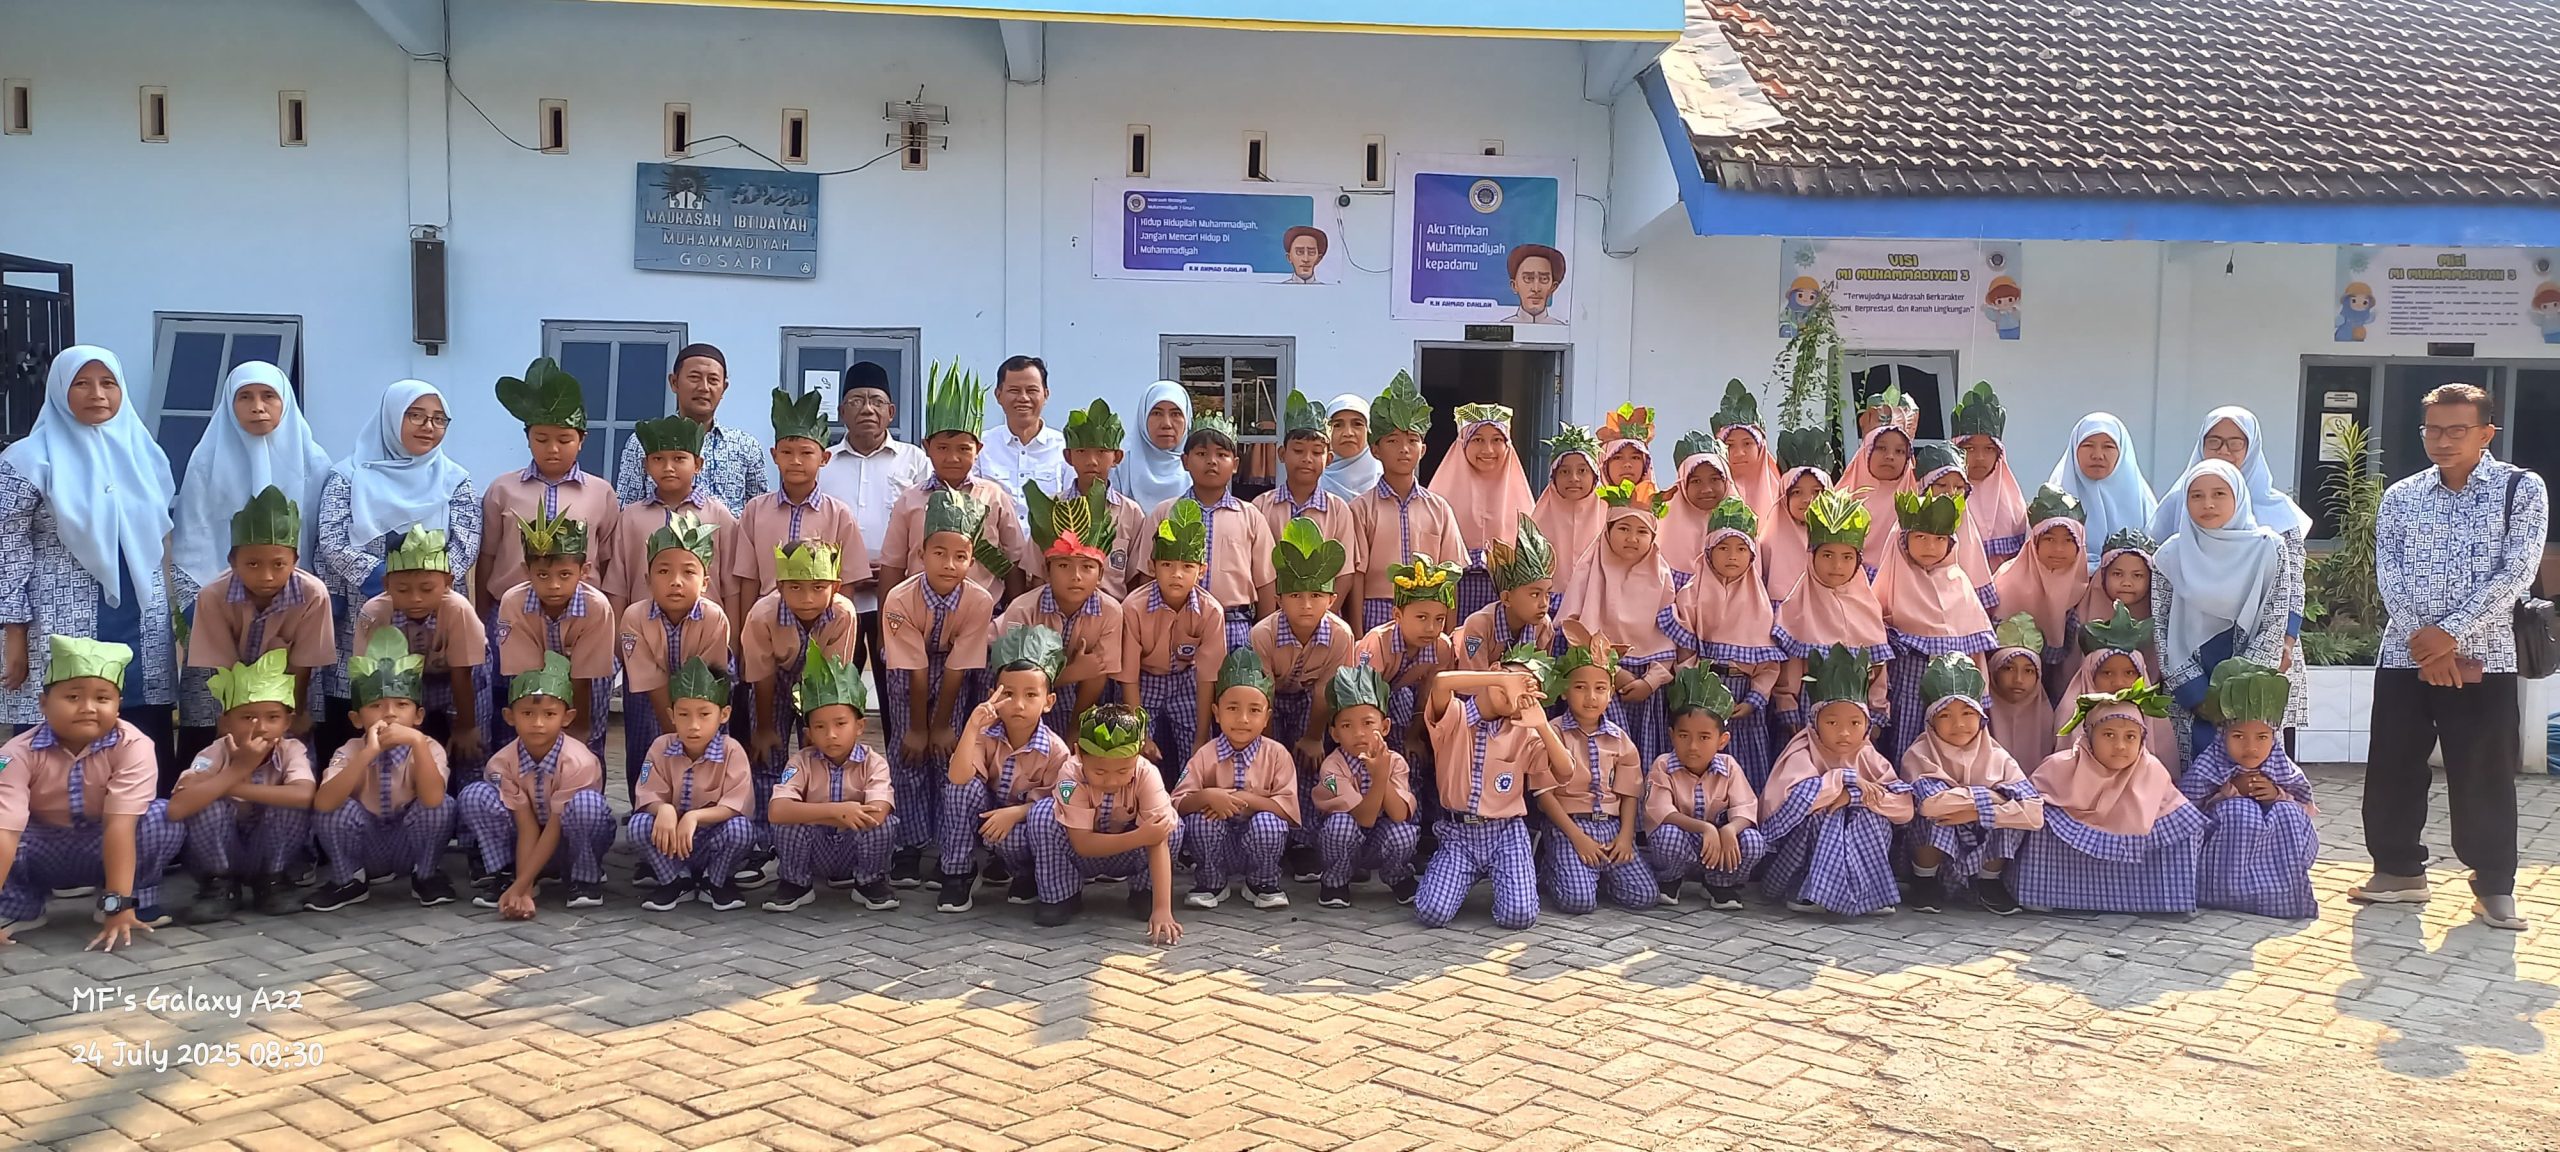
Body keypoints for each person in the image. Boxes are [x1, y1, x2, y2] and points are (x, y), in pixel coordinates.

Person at [2358, 382, 2545, 930]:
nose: (2443, 440)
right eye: (2433, 430)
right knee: (2393, 765)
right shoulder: (2402, 496)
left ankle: (2494, 886)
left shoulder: (2520, 489)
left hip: (2487, 656)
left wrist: (2451, 634)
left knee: (2483, 772)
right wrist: (2426, 641)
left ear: (2486, 433)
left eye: (2457, 430)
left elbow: (2518, 570)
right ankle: (2398, 871)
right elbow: (2389, 572)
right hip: (2405, 656)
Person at [0, 348, 182, 782]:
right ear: (60, 391)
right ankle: (47, 816)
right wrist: (14, 636)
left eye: (108, 383)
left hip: (140, 614)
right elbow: (8, 553)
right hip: (57, 616)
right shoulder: (26, 460)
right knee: (61, 722)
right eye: (81, 383)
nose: (96, 394)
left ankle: (142, 816)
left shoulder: (145, 453)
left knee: (141, 724)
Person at [316, 380, 481, 763]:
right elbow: (332, 539)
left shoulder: (455, 480)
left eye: (438, 419)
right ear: (390, 418)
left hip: (436, 617)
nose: (428, 427)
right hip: (364, 611)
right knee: (367, 707)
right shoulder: (348, 476)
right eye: (416, 416)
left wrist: (424, 590)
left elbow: (466, 543)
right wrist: (390, 586)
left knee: (431, 724)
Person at [170, 362, 333, 739]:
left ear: (285, 402)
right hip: (217, 605)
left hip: (296, 607)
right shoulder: (206, 460)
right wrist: (200, 603)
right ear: (230, 404)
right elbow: (192, 536)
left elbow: (320, 535)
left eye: (268, 396)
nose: (257, 406)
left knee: (288, 716)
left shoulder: (313, 462)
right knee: (216, 719)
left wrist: (308, 597)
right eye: (245, 397)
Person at [0, 638, 184, 949]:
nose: (88, 708)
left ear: (118, 704)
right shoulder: (14, 753)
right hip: (40, 850)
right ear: (43, 703)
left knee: (162, 817)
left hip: (105, 843)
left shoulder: (134, 745)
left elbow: (120, 825)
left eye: (102, 698)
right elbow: (5, 831)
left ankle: (129, 900)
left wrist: (117, 905)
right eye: (73, 696)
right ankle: (20, 907)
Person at [2153, 406, 2313, 741]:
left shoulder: (2275, 526)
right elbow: (2163, 607)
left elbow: (2290, 590)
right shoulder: (2177, 507)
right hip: (2192, 662)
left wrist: (2279, 649)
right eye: (2214, 441)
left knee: (2257, 751)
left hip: (2268, 653)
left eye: (2235, 442)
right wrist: (2192, 688)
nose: (2224, 451)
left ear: (2251, 446)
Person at [880, 488, 999, 886]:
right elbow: (913, 667)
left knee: (950, 754)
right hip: (906, 675)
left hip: (955, 677)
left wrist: (943, 724)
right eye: (939, 553)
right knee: (909, 754)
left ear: (972, 560)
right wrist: (918, 727)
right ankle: (909, 846)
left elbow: (958, 667)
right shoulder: (899, 598)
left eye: (960, 556)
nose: (949, 564)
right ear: (921, 554)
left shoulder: (979, 601)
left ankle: (950, 848)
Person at [1411, 653, 1576, 930]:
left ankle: (1519, 872)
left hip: (1505, 833)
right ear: (1495, 669)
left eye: (1526, 690)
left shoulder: (1524, 732)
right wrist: (1501, 679)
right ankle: (1462, 874)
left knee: (1519, 916)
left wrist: (1541, 724)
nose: (1514, 691)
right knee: (1431, 913)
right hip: (1458, 834)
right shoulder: (1455, 716)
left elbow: (1565, 770)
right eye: (1514, 679)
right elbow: (1440, 682)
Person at [478, 358, 615, 677]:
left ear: (582, 440)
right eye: (541, 439)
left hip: (582, 616)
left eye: (564, 440)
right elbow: (488, 555)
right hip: (512, 613)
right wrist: (481, 614)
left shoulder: (601, 493)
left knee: (581, 691)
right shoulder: (503, 489)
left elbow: (607, 559)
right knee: (514, 693)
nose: (553, 448)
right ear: (527, 438)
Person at [2014, 685, 2203, 914]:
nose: (2120, 746)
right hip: (2069, 853)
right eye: (2108, 735)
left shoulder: (2152, 770)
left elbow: (2180, 812)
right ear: (2089, 736)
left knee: (2187, 823)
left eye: (2130, 737)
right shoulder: (2060, 767)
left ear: (2142, 740)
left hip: (2136, 843)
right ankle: (2042, 892)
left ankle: (2164, 897)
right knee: (2041, 816)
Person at [1757, 645, 1914, 916]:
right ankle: (1810, 890)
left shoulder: (1869, 756)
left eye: (1854, 723)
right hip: (1801, 854)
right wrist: (1845, 778)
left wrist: (1852, 796)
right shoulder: (1802, 751)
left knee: (1870, 818)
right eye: (1832, 723)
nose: (1844, 733)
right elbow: (1793, 802)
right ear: (1815, 723)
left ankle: (1868, 892)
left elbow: (1903, 806)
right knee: (1825, 816)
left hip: (1859, 835)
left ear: (1866, 726)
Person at [304, 630, 455, 912]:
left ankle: (425, 875)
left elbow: (434, 799)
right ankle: (349, 881)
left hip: (408, 845)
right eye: (375, 706)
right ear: (356, 719)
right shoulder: (350, 750)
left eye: (402, 704)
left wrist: (417, 743)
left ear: (419, 716)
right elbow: (324, 803)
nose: (390, 714)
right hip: (366, 845)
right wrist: (368, 754)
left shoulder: (428, 747)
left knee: (444, 804)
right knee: (335, 806)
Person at [180, 488, 336, 751]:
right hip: (229, 690)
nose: (266, 576)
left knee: (291, 753)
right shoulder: (212, 597)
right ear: (232, 561)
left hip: (290, 688)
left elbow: (302, 666)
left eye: (279, 564)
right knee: (225, 749)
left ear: (295, 561)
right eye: (252, 564)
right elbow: (223, 668)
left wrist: (294, 713)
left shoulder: (313, 595)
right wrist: (233, 717)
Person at [461, 653, 616, 917]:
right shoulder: (501, 763)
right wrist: (524, 887)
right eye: (527, 713)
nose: (538, 723)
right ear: (509, 716)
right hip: (525, 842)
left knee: (587, 805)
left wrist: (521, 886)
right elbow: (526, 826)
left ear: (567, 717)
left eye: (549, 713)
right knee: (474, 795)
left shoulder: (579, 760)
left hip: (568, 842)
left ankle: (584, 877)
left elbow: (555, 826)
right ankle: (505, 873)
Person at [2153, 459, 2288, 761]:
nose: (2208, 504)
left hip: (2251, 695)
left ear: (2238, 496)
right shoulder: (2170, 555)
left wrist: (2240, 691)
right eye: (2196, 495)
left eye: (2219, 494)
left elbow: (2275, 620)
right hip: (2188, 693)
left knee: (2248, 772)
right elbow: (2161, 627)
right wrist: (2196, 694)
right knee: (2190, 776)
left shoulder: (2268, 548)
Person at [167, 651, 315, 924]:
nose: (261, 727)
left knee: (288, 803)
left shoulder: (291, 750)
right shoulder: (214, 752)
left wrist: (231, 788)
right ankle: (220, 886)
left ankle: (272, 881)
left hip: (267, 850)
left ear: (287, 722)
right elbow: (177, 807)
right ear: (225, 721)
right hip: (221, 851)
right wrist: (239, 769)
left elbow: (304, 795)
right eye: (247, 717)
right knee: (206, 804)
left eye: (273, 717)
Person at [936, 627, 1072, 910]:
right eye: (1008, 693)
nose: (1019, 704)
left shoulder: (1056, 751)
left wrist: (1016, 813)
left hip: (1020, 828)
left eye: (1031, 695)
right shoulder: (985, 734)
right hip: (986, 818)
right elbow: (958, 778)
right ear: (993, 696)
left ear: (1048, 702)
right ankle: (958, 874)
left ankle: (1026, 874)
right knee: (960, 790)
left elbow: (1060, 803)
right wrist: (972, 726)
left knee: (1031, 825)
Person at [816, 361, 930, 692]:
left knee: (896, 691)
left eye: (876, 401)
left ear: (890, 412)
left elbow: (927, 526)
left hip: (897, 599)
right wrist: (851, 571)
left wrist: (897, 570)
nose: (867, 408)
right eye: (857, 400)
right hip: (838, 599)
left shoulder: (915, 461)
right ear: (841, 412)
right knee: (836, 690)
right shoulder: (823, 463)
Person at [1896, 654, 2040, 915]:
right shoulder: (1920, 754)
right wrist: (1994, 797)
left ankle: (1989, 881)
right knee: (1934, 818)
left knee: (2010, 820)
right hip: (1939, 851)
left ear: (1982, 718)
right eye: (1945, 715)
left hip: (1981, 846)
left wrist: (1977, 812)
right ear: (1931, 721)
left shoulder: (1997, 756)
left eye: (1968, 713)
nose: (1959, 724)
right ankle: (1925, 879)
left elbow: (2034, 813)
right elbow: (1931, 805)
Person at [1030, 704, 1186, 944]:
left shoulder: (1148, 773)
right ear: (1079, 754)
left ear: (1138, 755)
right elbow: (1082, 844)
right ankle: (1061, 894)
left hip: (1131, 857)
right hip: (1081, 854)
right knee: (1042, 816)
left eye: (1123, 771)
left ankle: (1145, 891)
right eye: (1100, 772)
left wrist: (1162, 909)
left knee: (1169, 826)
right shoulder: (1069, 774)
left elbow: (1159, 838)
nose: (1112, 781)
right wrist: (1141, 837)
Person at [764, 642, 898, 913]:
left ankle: (869, 881)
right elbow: (777, 810)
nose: (831, 734)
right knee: (788, 823)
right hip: (815, 850)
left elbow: (879, 811)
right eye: (820, 726)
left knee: (884, 824)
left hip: (854, 847)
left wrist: (820, 814)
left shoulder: (874, 762)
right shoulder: (799, 762)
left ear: (860, 726)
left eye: (840, 723)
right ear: (809, 733)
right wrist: (838, 812)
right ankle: (796, 883)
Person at [731, 389, 870, 649]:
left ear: (824, 458)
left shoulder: (839, 515)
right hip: (768, 624)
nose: (795, 461)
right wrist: (745, 635)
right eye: (786, 452)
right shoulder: (755, 511)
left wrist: (835, 631)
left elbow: (847, 583)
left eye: (806, 453)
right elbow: (748, 579)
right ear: (774, 455)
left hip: (822, 625)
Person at [878, 365, 1031, 599]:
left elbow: (1014, 561)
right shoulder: (910, 500)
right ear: (926, 447)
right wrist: (886, 620)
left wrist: (1014, 614)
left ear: (978, 449)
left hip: (986, 614)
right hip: (918, 612)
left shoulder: (994, 497)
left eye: (963, 449)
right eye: (942, 448)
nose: (952, 458)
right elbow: (893, 565)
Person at [2180, 660, 2316, 918]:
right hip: (2222, 864)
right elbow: (2187, 811)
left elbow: (2303, 804)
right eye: (2238, 736)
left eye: (2262, 737)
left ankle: (2283, 890)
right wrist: (2229, 791)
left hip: (2274, 855)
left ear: (2273, 738)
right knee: (2239, 812)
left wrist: (2276, 795)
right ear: (2222, 736)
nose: (2251, 747)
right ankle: (2223, 892)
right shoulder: (2208, 767)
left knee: (2288, 813)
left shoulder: (2281, 766)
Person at [1535, 628, 1656, 914]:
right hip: (1569, 826)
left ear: (1611, 693)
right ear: (1565, 690)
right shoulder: (1553, 734)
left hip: (1611, 826)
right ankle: (1551, 868)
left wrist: (1625, 836)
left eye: (1600, 688)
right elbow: (1544, 794)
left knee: (1644, 895)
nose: (1591, 697)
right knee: (1578, 902)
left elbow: (1629, 793)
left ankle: (1597, 876)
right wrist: (1578, 838)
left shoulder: (1619, 739)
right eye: (1580, 687)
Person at [1665, 499, 1783, 790]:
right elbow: (1684, 650)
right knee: (1699, 755)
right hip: (1700, 692)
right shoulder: (1691, 595)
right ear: (1708, 551)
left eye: (1742, 549)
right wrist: (1694, 691)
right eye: (1723, 548)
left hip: (1742, 695)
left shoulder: (1761, 604)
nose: (1732, 556)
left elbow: (1768, 665)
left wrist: (1754, 698)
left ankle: (1743, 811)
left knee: (1746, 763)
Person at [618, 515, 734, 807]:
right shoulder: (634, 617)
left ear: (705, 583)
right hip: (651, 693)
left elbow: (707, 681)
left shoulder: (714, 618)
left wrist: (688, 729)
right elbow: (650, 680)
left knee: (706, 745)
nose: (676, 581)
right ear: (648, 581)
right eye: (664, 571)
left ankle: (705, 805)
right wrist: (673, 732)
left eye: (688, 572)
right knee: (646, 743)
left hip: (702, 696)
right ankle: (645, 805)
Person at [1560, 481, 1680, 766]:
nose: (1632, 538)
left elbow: (1672, 635)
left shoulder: (1662, 576)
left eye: (1642, 532)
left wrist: (1651, 681)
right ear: (1608, 531)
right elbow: (1573, 627)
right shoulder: (1590, 571)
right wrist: (1614, 671)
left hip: (1647, 686)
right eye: (1624, 529)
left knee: (1639, 760)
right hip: (1597, 681)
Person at [1133, 413, 1275, 651]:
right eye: (1201, 454)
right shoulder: (1164, 512)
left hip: (1234, 626)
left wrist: (1262, 636)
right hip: (1173, 623)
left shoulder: (1251, 516)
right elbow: (1148, 576)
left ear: (1235, 465)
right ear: (1185, 461)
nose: (1212, 461)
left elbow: (1266, 583)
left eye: (1222, 455)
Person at [1874, 489, 1996, 762]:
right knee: (1904, 742)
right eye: (1921, 537)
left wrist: (1982, 694)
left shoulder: (1960, 583)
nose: (1931, 546)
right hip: (1907, 685)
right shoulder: (1890, 582)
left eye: (1940, 539)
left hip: (1953, 692)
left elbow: (1975, 649)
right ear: (1903, 540)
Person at [740, 541, 857, 822]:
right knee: (767, 752)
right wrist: (765, 727)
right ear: (780, 586)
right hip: (774, 682)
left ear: (835, 587)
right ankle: (766, 825)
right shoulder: (762, 615)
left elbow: (831, 677)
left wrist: (814, 723)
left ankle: (812, 816)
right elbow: (762, 675)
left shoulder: (843, 614)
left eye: (818, 587)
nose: (807, 598)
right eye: (795, 587)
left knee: (818, 750)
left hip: (820, 687)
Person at [351, 528, 487, 771]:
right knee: (401, 745)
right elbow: (369, 676)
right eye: (403, 590)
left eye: (426, 589)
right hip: (399, 684)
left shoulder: (459, 609)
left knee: (472, 745)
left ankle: (472, 781)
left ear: (448, 583)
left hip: (460, 678)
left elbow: (463, 673)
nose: (415, 598)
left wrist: (466, 727)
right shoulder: (374, 613)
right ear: (386, 585)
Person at [1174, 650, 1299, 909]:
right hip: (1216, 843)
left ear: (1266, 718)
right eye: (1232, 708)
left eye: (1254, 710)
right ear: (1216, 713)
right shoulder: (1205, 754)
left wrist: (1244, 799)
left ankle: (1262, 882)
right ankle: (1211, 882)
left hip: (1259, 843)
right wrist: (1207, 796)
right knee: (1200, 819)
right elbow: (1178, 804)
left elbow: (1288, 811)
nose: (1243, 719)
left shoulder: (1277, 755)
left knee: (1269, 823)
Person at [628, 658, 754, 912]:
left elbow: (734, 805)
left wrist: (694, 817)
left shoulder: (732, 751)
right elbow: (646, 791)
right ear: (671, 715)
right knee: (638, 826)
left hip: (713, 839)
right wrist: (663, 809)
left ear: (724, 714)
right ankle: (675, 880)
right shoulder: (659, 747)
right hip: (671, 839)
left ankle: (714, 881)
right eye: (684, 714)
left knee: (741, 830)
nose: (694, 725)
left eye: (704, 714)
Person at [1003, 481, 1126, 733]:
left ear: (1101, 575)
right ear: (1047, 571)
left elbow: (1097, 671)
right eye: (1063, 566)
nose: (1076, 576)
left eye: (1087, 567)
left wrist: (1074, 731)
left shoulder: (1111, 611)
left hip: (1076, 690)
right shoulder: (1022, 609)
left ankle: (1073, 732)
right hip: (1016, 690)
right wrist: (1072, 672)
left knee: (1094, 672)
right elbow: (1011, 679)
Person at [491, 511, 615, 757]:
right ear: (526, 571)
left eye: (565, 574)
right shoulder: (513, 602)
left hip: (586, 682)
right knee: (535, 738)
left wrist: (579, 729)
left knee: (587, 744)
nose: (554, 585)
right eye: (543, 575)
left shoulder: (597, 607)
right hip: (533, 680)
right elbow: (527, 675)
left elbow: (584, 676)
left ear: (584, 571)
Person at [1642, 666, 1764, 909]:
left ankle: (1719, 883)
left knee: (1753, 841)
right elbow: (1661, 812)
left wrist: (1729, 829)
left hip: (1719, 846)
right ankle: (1671, 878)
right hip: (1683, 842)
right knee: (1666, 835)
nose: (1693, 746)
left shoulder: (1729, 766)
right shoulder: (1663, 765)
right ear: (1672, 735)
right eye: (1684, 736)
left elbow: (1746, 807)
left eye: (1704, 737)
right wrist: (1705, 827)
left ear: (1722, 740)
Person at [1117, 501, 1227, 771]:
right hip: (1144, 680)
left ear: (1201, 571)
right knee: (1131, 747)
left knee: (1199, 754)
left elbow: (1207, 678)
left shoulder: (1211, 611)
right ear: (1152, 566)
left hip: (1186, 680)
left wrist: (1201, 738)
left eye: (1187, 566)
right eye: (1167, 564)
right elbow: (1129, 676)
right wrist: (1141, 735)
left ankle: (1187, 794)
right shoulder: (1133, 607)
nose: (1176, 574)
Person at [1770, 491, 1892, 732]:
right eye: (1827, 555)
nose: (1837, 565)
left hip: (1857, 719)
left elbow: (1878, 672)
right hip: (1807, 714)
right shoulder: (1797, 607)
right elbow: (1789, 674)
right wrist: (1788, 709)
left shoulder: (1868, 607)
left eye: (1847, 557)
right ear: (1812, 556)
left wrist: (1877, 713)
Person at [1352, 373, 1465, 631]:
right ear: (1375, 450)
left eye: (1412, 440)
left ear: (1422, 450)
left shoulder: (1439, 508)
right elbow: (1357, 575)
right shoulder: (1361, 509)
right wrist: (1357, 632)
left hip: (1429, 613)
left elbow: (1451, 574)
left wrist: (1448, 632)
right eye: (1393, 441)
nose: (1404, 449)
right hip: (1377, 610)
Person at [605, 415, 740, 622]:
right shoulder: (631, 517)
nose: (668, 467)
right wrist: (618, 636)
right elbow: (617, 586)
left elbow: (731, 588)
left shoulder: (718, 516)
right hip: (643, 628)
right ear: (646, 465)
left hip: (705, 628)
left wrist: (732, 637)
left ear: (698, 464)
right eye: (658, 459)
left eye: (679, 459)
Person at [612, 342, 769, 512]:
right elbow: (625, 509)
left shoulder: (746, 446)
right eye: (694, 377)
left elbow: (760, 513)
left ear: (724, 388)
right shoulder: (644, 441)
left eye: (713, 380)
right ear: (674, 382)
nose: (704, 388)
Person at [1310, 666, 1418, 908]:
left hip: (1379, 839)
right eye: (1347, 726)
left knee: (1403, 833)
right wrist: (1379, 777)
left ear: (1385, 727)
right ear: (1334, 734)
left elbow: (1399, 814)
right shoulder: (1331, 768)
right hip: (1347, 839)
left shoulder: (1396, 762)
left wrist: (1383, 772)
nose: (1359, 733)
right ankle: (1336, 880)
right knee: (1339, 825)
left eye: (1368, 723)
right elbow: (1364, 818)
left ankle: (1398, 876)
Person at [1351, 556, 1460, 791]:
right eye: (1421, 617)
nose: (1431, 628)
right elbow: (1361, 699)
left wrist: (1414, 735)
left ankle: (1412, 801)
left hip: (1398, 698)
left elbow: (1428, 693)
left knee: (1412, 749)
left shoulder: (1442, 646)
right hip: (1359, 705)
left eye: (1439, 619)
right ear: (1397, 615)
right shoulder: (1377, 643)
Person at [1254, 392, 1363, 619]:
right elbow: (1259, 570)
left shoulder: (1338, 510)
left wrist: (1323, 616)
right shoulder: (1261, 507)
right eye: (1298, 450)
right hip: (1273, 617)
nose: (1307, 459)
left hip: (1324, 618)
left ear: (1329, 458)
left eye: (1317, 452)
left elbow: (1345, 573)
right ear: (1282, 454)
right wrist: (1271, 618)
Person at [1430, 404, 1535, 622]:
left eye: (1497, 440)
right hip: (1452, 596)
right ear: (1463, 442)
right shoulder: (1438, 497)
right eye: (1477, 440)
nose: (1488, 450)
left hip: (1505, 597)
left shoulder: (1522, 497)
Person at [2060, 604, 2178, 767]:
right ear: (2090, 675)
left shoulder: (2155, 718)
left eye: (2129, 673)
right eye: (2107, 673)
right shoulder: (2070, 712)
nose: (2119, 683)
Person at [1058, 399, 1150, 600]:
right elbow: (1039, 574)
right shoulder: (1053, 507)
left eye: (1101, 452)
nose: (1091, 461)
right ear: (1068, 457)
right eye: (1081, 451)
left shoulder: (1131, 513)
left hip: (1113, 611)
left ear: (1117, 457)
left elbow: (1135, 580)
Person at [1994, 486, 2089, 681]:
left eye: (2068, 540)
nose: (2058, 549)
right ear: (2035, 541)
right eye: (2049, 539)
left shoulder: (2086, 586)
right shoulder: (2008, 582)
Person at [2063, 528, 2161, 697]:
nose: (2127, 583)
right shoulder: (2080, 611)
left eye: (2137, 575)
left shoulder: (2159, 617)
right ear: (2103, 575)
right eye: (2117, 574)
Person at [2047, 413, 2155, 567]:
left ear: (2122, 451)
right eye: (2088, 445)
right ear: (2074, 448)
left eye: (2108, 447)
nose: (2098, 455)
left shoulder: (2142, 501)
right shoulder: (2052, 500)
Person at [1459, 514, 1559, 672]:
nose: (1544, 604)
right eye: (1535, 594)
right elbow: (1470, 681)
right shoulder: (1479, 626)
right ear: (1506, 598)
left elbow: (1542, 675)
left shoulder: (1543, 626)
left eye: (1548, 594)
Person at [974, 355, 1068, 522]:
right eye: (1014, 390)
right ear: (998, 395)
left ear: (1046, 394)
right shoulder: (980, 446)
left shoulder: (1065, 448)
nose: (1023, 398)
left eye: (1031, 390)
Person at [1949, 383, 2028, 568]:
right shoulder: (1943, 493)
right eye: (1969, 449)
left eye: (1989, 449)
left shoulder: (2015, 506)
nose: (1980, 457)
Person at [1760, 427, 1840, 611]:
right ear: (1784, 497)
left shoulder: (1840, 541)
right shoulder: (1767, 543)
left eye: (1817, 492)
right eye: (1797, 492)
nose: (1807, 500)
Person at [1530, 423, 1605, 606]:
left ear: (1595, 476)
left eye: (1582, 471)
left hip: (1595, 604)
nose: (1574, 478)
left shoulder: (1609, 517)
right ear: (1553, 477)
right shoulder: (1536, 521)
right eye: (1564, 471)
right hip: (1546, 606)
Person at [1660, 433, 1735, 582]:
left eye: (1714, 479)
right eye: (1696, 481)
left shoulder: (1743, 530)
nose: (1706, 489)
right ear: (1683, 485)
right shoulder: (1660, 532)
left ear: (1726, 482)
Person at [1985, 615, 2058, 769]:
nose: (2018, 679)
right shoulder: (1975, 717)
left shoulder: (2053, 721)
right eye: (2008, 668)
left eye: (2028, 671)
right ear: (1993, 672)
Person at [1712, 381, 1785, 529]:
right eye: (1729, 445)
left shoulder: (1783, 497)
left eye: (1747, 444)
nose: (1739, 453)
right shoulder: (1707, 494)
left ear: (1761, 448)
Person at [1117, 381, 1194, 511]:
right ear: (1143, 418)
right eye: (1157, 413)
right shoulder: (1121, 468)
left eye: (1176, 414)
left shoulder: (1196, 468)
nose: (1166, 424)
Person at [1841, 423, 1918, 542]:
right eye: (1881, 448)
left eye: (1899, 451)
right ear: (1866, 452)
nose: (1890, 456)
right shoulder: (1837, 502)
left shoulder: (1917, 505)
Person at [1318, 394, 1382, 502]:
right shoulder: (1314, 480)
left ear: (1368, 429)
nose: (1348, 433)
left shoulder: (1384, 478)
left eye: (1357, 424)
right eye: (1338, 425)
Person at [1499, 243, 1566, 325]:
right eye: (1528, 278)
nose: (1535, 289)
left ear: (1553, 287)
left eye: (1544, 279)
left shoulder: (1559, 327)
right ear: (1514, 285)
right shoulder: (1504, 325)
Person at [1596, 404, 1654, 488]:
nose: (1627, 464)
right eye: (1617, 457)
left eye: (1635, 457)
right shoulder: (1585, 497)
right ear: (1603, 465)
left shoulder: (1661, 497)